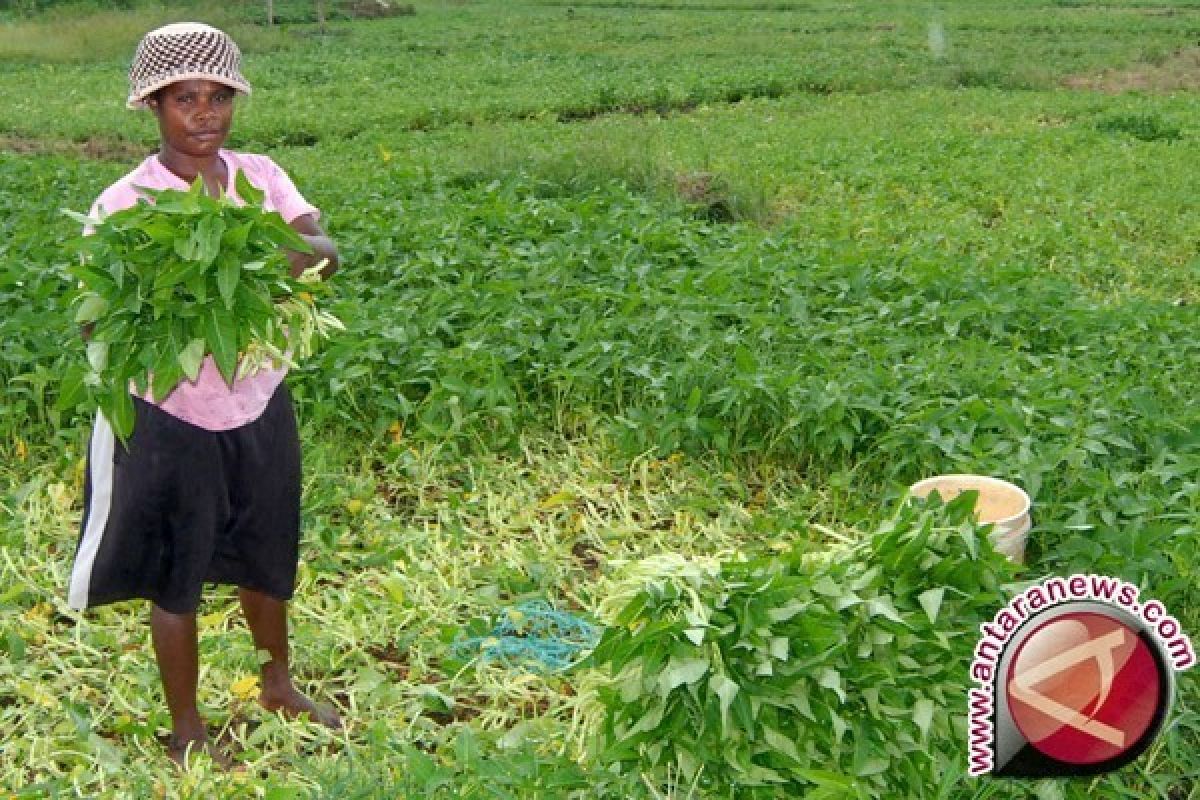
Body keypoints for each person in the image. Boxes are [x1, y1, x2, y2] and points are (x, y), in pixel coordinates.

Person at [65, 22, 343, 767]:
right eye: (186, 98)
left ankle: (276, 683)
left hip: (257, 399)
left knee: (266, 549)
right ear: (152, 105)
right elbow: (100, 315)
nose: (206, 114)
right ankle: (186, 726)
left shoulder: (259, 174)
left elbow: (322, 251)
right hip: (171, 415)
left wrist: (255, 248)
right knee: (176, 569)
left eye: (220, 96)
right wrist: (186, 280)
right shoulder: (126, 204)